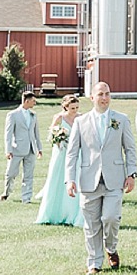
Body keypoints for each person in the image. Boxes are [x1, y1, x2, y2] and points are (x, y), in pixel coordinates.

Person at [65, 81, 137, 275]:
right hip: (89, 180)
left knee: (111, 217)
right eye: (100, 95)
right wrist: (69, 179)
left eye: (107, 94)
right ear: (92, 98)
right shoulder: (81, 122)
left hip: (115, 179)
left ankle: (111, 248)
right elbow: (72, 153)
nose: (104, 98)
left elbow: (130, 149)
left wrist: (132, 174)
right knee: (91, 225)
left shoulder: (121, 119)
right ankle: (94, 263)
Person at [35, 94, 83, 227]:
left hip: (76, 154)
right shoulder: (59, 118)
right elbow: (51, 135)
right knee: (58, 179)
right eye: (72, 108)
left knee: (75, 178)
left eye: (77, 107)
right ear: (65, 107)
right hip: (61, 152)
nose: (75, 110)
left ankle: (73, 212)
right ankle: (54, 212)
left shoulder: (81, 117)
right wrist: (58, 140)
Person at [0, 90, 43, 203]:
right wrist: (8, 150)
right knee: (10, 174)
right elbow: (8, 134)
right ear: (27, 101)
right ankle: (6, 192)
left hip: (31, 149)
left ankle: (26, 198)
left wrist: (39, 148)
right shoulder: (13, 115)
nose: (35, 103)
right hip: (17, 149)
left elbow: (36, 133)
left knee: (28, 175)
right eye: (33, 101)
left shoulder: (33, 115)